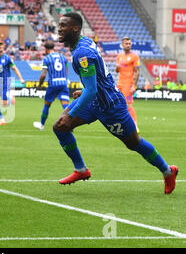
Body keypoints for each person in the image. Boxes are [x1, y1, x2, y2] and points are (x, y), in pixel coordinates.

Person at [52, 12, 178, 194]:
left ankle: (168, 171)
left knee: (133, 143)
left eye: (63, 26)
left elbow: (92, 89)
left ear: (75, 28)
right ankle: (80, 169)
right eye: (59, 25)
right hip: (94, 100)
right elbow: (95, 82)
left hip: (110, 106)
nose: (59, 29)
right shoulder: (84, 42)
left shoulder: (82, 53)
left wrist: (73, 110)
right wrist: (87, 88)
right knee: (60, 126)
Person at [33, 41, 70, 131]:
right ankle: (69, 125)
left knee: (47, 105)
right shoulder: (63, 57)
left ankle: (41, 125)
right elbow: (66, 69)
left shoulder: (46, 59)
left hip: (53, 84)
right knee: (65, 106)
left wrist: (39, 85)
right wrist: (65, 79)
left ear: (45, 49)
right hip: (63, 83)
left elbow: (43, 75)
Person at [116, 37, 140, 133]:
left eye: (129, 43)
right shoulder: (119, 56)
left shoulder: (134, 56)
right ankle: (123, 124)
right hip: (120, 84)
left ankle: (135, 126)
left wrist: (134, 85)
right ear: (122, 45)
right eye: (126, 43)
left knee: (128, 105)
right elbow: (117, 70)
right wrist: (117, 68)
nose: (128, 45)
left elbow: (137, 71)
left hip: (128, 84)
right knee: (119, 104)